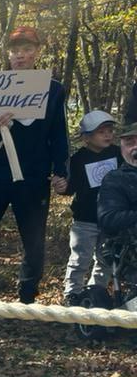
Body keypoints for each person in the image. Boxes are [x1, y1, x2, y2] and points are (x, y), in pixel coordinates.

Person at [0, 27, 69, 303]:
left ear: (36, 52)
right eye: (14, 50)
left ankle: (27, 296)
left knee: (34, 237)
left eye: (26, 49)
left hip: (33, 175)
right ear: (7, 54)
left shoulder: (53, 89)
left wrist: (61, 171)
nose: (20, 56)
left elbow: (59, 134)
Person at [56, 111, 119, 306]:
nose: (107, 135)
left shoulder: (118, 154)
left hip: (110, 220)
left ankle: (95, 294)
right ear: (86, 137)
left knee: (106, 259)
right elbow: (71, 187)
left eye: (109, 131)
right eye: (101, 132)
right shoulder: (78, 159)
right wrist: (63, 187)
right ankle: (72, 295)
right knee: (80, 259)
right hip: (85, 220)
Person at [98, 123, 137, 311]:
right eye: (130, 142)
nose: (135, 146)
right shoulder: (116, 178)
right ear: (121, 148)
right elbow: (109, 218)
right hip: (128, 245)